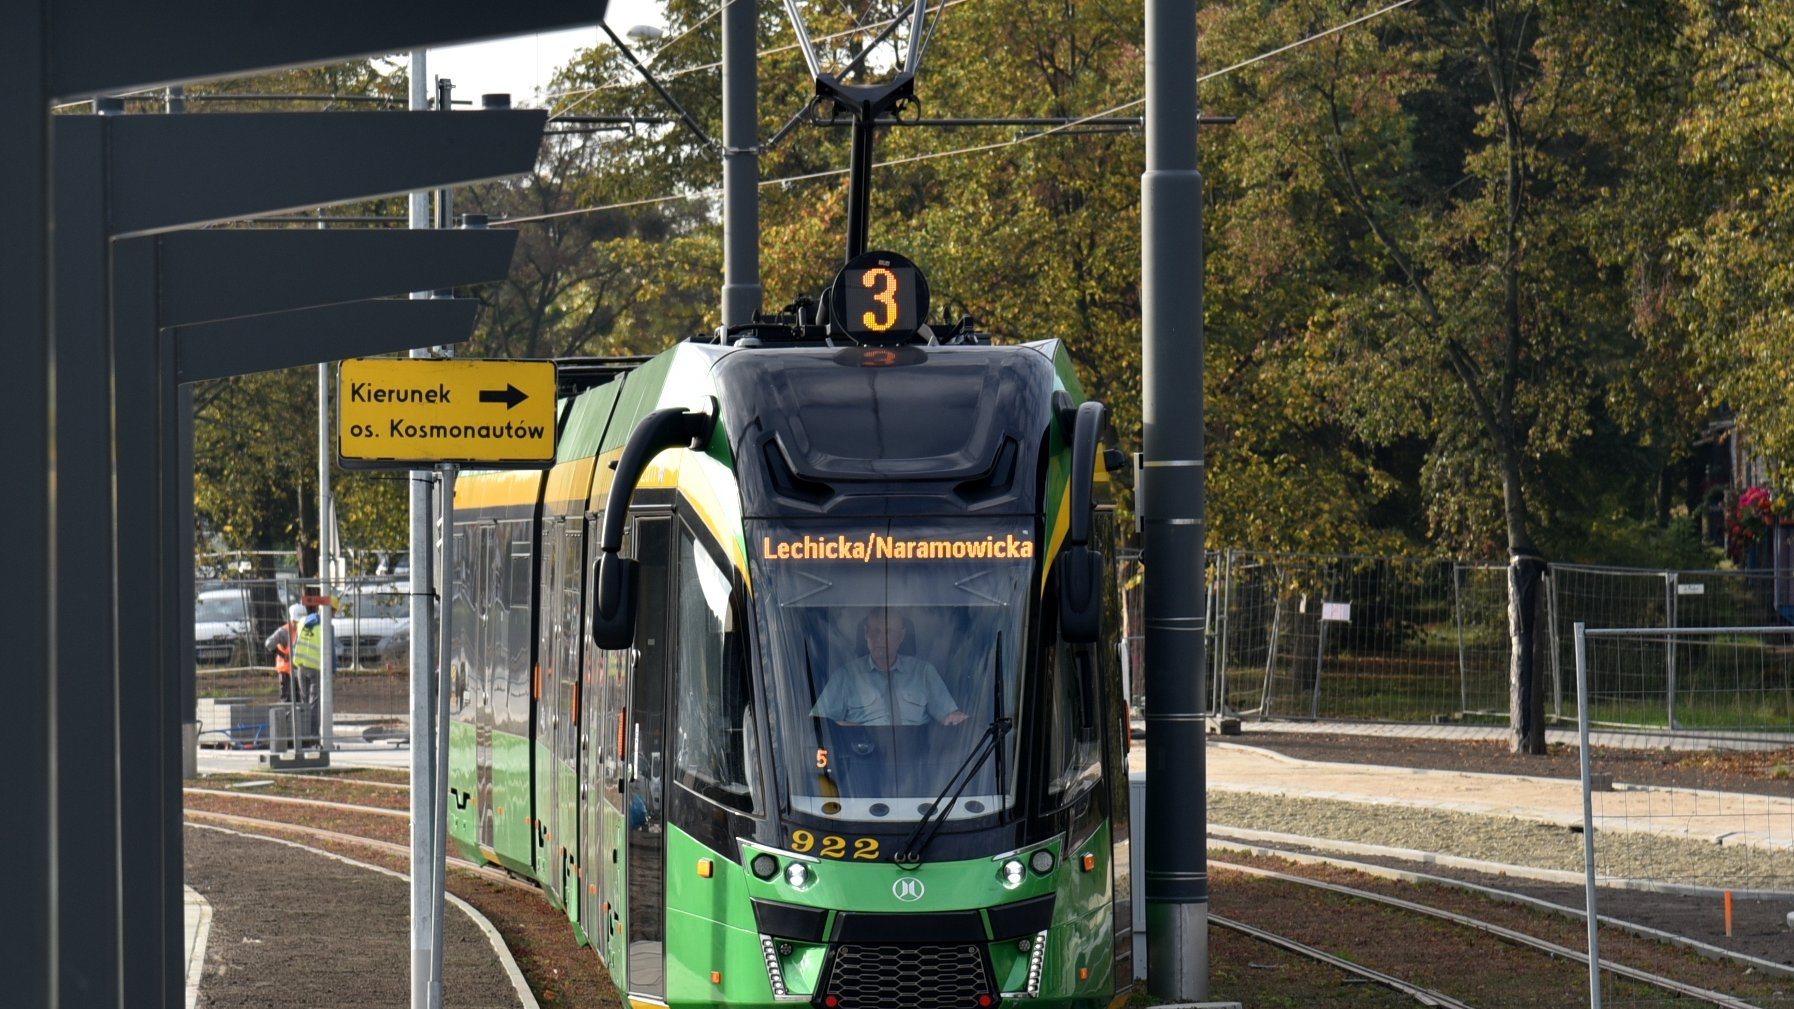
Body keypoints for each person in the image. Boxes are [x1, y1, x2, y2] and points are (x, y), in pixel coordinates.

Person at [812, 610, 968, 726]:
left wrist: (957, 719)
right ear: (866, 634)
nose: (880, 638)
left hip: (921, 759)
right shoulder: (845, 676)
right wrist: (853, 730)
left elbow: (949, 718)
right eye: (875, 632)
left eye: (888, 632)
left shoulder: (924, 672)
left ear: (901, 636)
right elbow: (818, 724)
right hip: (861, 759)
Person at [264, 603, 305, 702]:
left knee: (299, 698)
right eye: (297, 621)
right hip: (286, 671)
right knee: (287, 699)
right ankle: (285, 717)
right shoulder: (283, 632)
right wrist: (282, 655)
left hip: (299, 670)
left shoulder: (304, 629)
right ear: (292, 619)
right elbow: (269, 643)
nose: (299, 623)